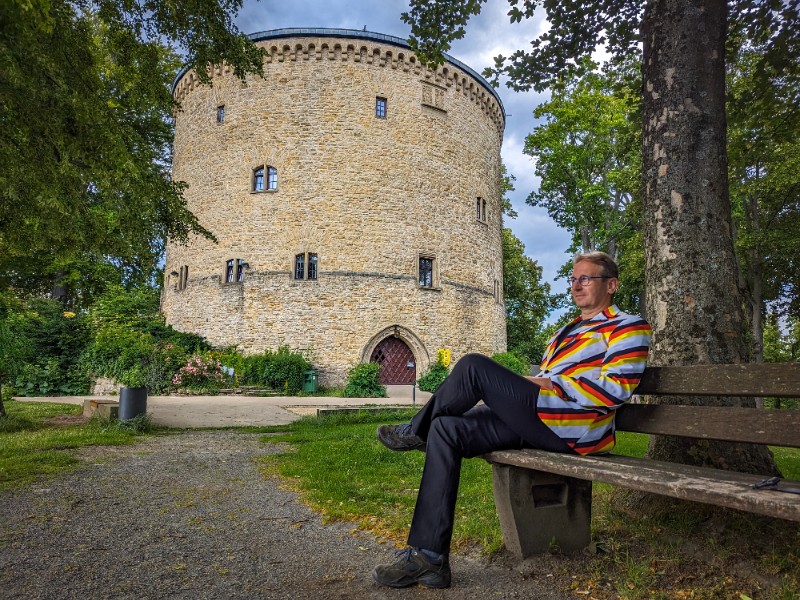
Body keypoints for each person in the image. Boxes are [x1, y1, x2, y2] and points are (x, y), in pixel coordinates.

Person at [371, 251, 652, 589]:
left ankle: (416, 431)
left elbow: (616, 389)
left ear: (612, 285)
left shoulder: (628, 327)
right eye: (574, 279)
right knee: (447, 429)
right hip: (541, 419)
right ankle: (429, 559)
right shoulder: (565, 331)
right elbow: (544, 380)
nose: (577, 286)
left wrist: (549, 383)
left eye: (586, 279)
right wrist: (533, 386)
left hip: (575, 430)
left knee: (474, 366)